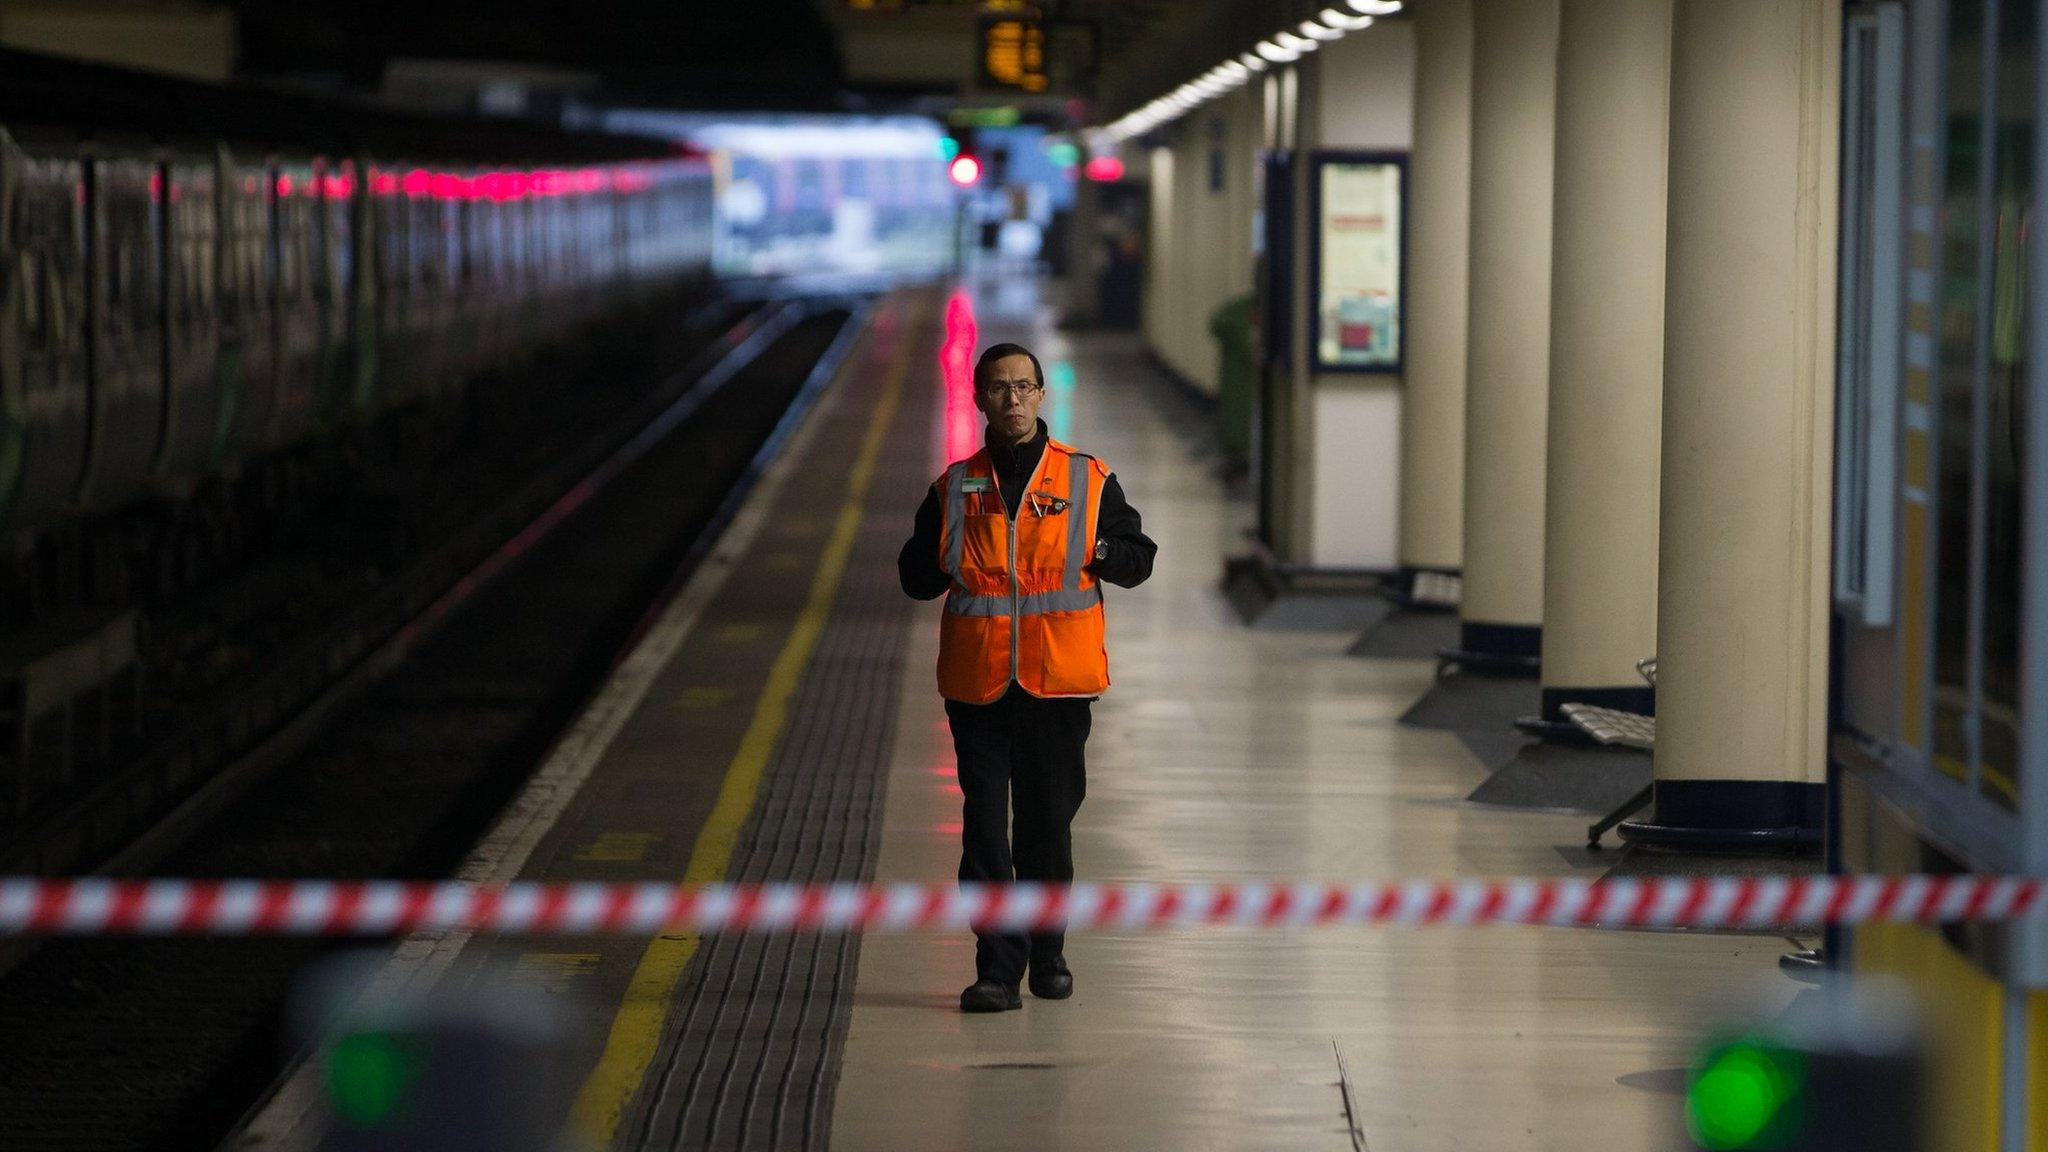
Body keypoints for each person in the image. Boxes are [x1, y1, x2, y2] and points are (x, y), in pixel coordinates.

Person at [898, 342, 1157, 1013]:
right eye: (998, 388)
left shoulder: (1087, 479)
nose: (1011, 399)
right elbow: (915, 577)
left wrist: (1096, 547)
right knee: (985, 830)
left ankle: (1048, 951)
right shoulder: (953, 486)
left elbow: (1137, 559)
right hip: (979, 688)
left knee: (1046, 826)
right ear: (980, 398)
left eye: (1022, 387)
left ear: (1041, 395)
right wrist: (938, 559)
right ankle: (996, 968)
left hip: (1057, 687)